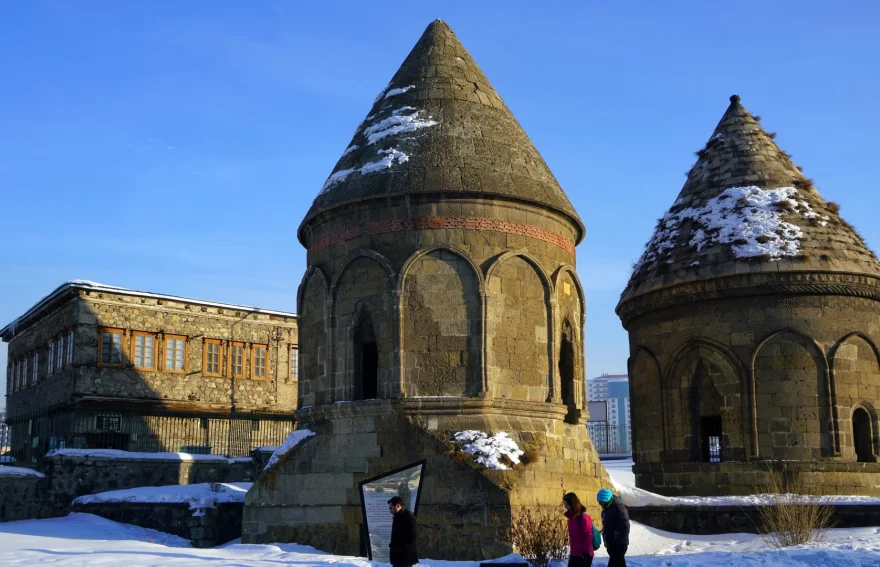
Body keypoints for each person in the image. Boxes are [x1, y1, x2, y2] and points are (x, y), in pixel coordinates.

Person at [597, 488, 630, 567]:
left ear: (606, 500)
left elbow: (625, 527)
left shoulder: (619, 508)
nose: (599, 503)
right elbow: (608, 525)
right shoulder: (606, 509)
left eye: (601, 501)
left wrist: (616, 542)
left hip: (618, 545)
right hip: (612, 545)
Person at [562, 492, 595, 567]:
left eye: (566, 504)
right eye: (564, 504)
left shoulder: (583, 517)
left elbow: (588, 535)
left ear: (572, 504)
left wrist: (586, 553)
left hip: (584, 554)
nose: (565, 506)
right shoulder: (571, 518)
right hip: (574, 554)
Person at [388, 495, 418, 567]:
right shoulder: (398, 516)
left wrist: (398, 546)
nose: (390, 511)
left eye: (391, 508)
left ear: (398, 506)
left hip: (404, 558)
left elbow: (412, 536)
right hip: (398, 557)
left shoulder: (409, 517)